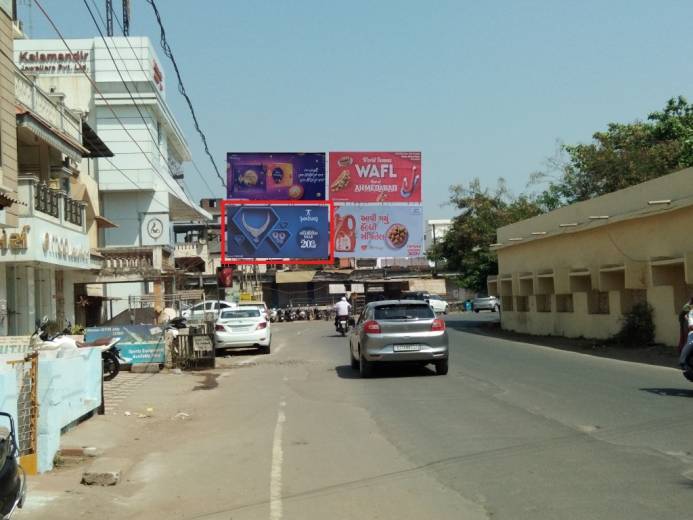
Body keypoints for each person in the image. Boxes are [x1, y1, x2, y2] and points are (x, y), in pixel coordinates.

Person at [678, 298, 693, 370]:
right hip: (687, 323)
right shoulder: (689, 306)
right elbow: (685, 309)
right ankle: (683, 361)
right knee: (688, 341)